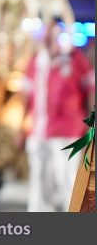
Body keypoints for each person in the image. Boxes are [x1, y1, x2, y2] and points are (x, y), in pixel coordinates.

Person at [23, 18, 95, 212]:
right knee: (39, 184)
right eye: (47, 33)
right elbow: (26, 96)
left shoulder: (76, 60)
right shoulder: (36, 62)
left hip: (68, 132)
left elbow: (90, 91)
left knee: (67, 180)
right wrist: (21, 127)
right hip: (39, 132)